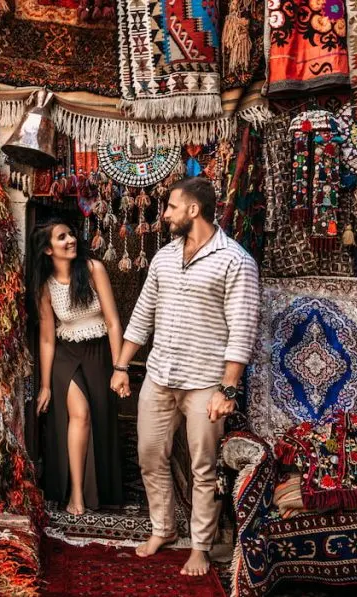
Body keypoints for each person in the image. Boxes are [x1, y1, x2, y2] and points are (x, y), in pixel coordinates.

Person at [110, 177, 260, 575]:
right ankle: (163, 527)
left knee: (202, 468)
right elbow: (142, 315)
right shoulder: (163, 257)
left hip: (205, 383)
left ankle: (200, 546)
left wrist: (227, 389)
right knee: (149, 456)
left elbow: (243, 329)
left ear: (193, 210)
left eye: (171, 207)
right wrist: (122, 365)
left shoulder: (236, 260)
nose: (165, 214)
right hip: (160, 376)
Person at [29, 218, 125, 516]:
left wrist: (120, 367)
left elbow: (112, 321)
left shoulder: (94, 269)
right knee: (79, 415)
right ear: (47, 250)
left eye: (71, 234)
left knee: (98, 417)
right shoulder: (45, 287)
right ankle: (76, 494)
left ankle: (97, 491)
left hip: (99, 354)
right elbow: (46, 339)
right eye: (61, 237)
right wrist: (45, 384)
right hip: (65, 356)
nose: (70, 240)